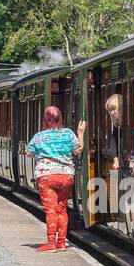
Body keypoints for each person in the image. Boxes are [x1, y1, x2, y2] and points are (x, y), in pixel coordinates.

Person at [24, 106, 85, 252]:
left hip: (47, 176)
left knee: (51, 210)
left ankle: (51, 243)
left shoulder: (39, 136)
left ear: (45, 119)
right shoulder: (68, 133)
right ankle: (62, 242)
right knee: (62, 208)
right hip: (66, 176)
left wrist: (38, 152)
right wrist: (81, 133)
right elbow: (78, 150)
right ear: (60, 118)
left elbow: (29, 153)